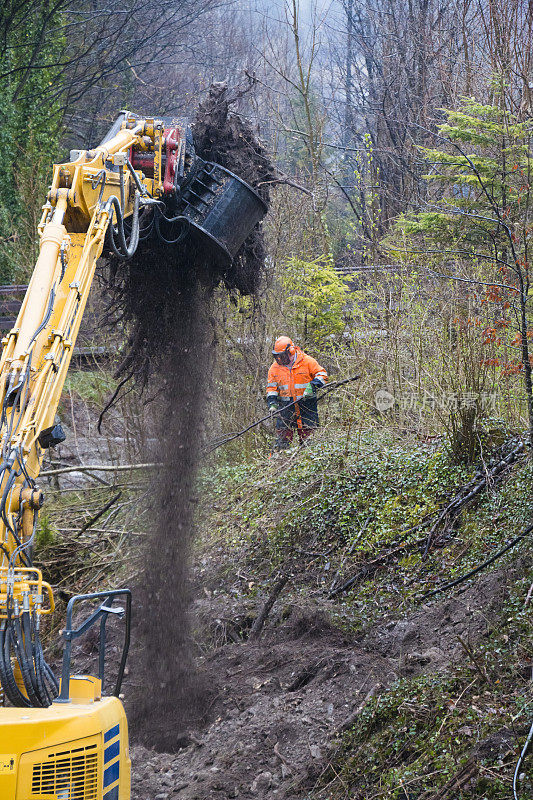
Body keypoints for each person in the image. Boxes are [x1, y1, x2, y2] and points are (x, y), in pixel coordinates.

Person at [266, 336, 328, 450]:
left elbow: (323, 375)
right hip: (285, 409)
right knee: (281, 444)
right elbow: (271, 388)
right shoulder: (274, 368)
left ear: (291, 351)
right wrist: (272, 403)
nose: (280, 359)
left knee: (310, 443)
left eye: (282, 356)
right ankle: (279, 463)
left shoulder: (307, 361)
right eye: (277, 356)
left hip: (306, 408)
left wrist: (312, 385)